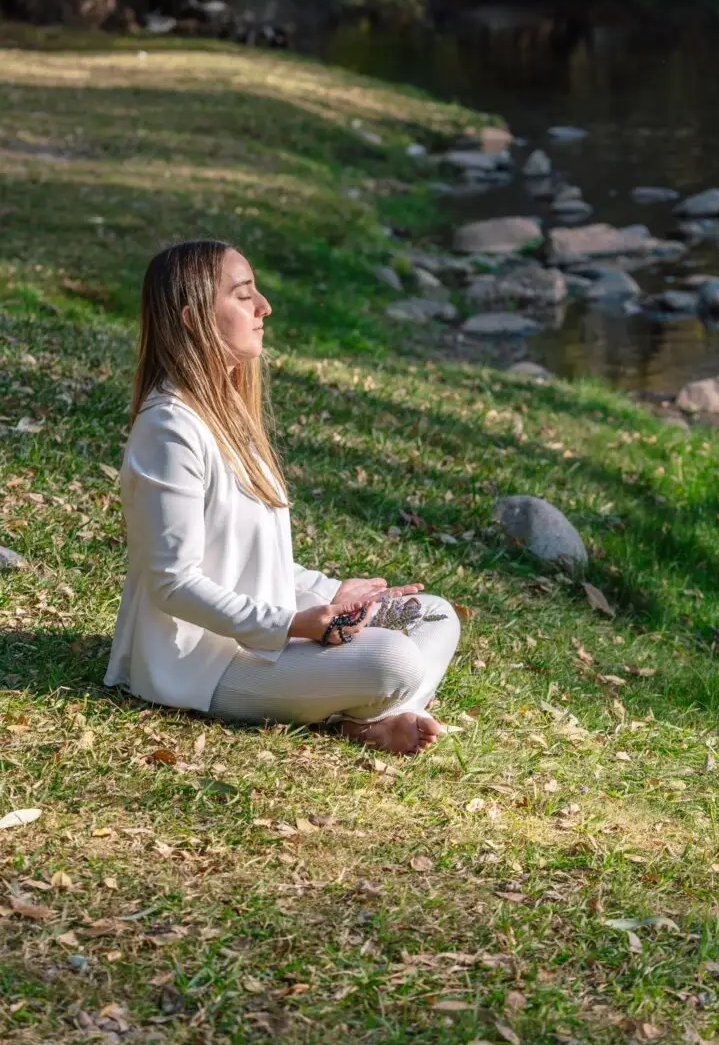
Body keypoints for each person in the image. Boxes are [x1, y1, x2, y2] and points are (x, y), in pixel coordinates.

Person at [104, 240, 461, 754]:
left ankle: (376, 714)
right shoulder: (168, 428)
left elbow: (254, 563)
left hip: (267, 635)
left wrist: (332, 595)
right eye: (244, 295)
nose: (264, 307)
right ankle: (376, 711)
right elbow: (172, 583)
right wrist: (292, 623)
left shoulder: (227, 414)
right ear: (193, 318)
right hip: (206, 664)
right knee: (395, 660)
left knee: (433, 615)